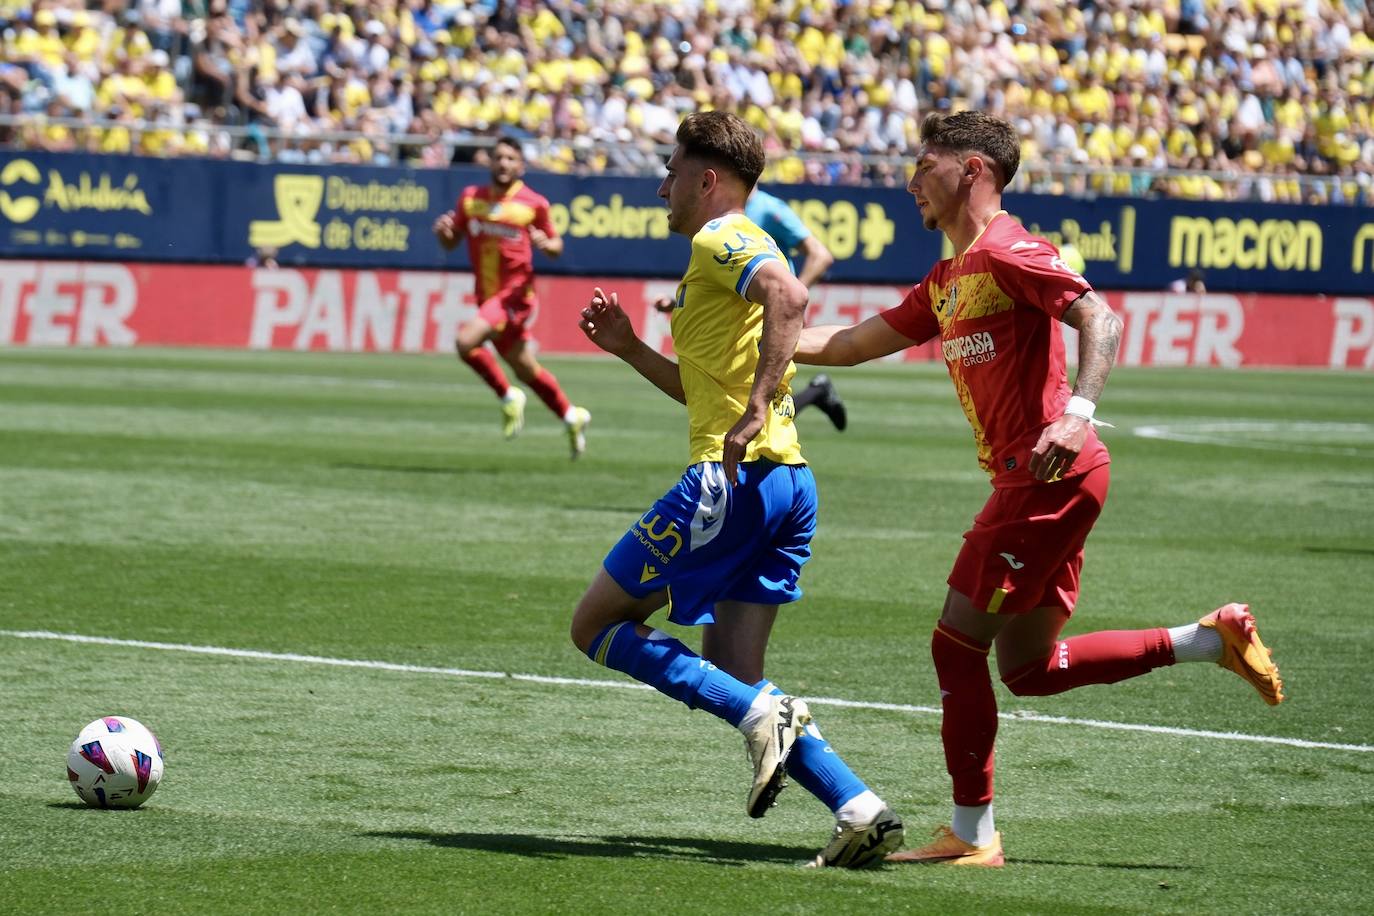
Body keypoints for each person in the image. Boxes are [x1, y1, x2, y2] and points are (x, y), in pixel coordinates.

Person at [794, 110, 1284, 867]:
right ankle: (1208, 639)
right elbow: (852, 344)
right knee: (1028, 669)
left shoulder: (1010, 251)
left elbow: (1100, 317)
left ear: (973, 170)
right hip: (1045, 481)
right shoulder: (949, 277)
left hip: (1046, 475)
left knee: (955, 647)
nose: (910, 180)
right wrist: (754, 342)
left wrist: (1078, 413)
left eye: (925, 164)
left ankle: (972, 835)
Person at [572, 111, 904, 869]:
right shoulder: (715, 258)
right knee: (737, 672)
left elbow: (791, 298)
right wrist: (630, 349)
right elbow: (701, 392)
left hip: (734, 480)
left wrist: (755, 406)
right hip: (786, 483)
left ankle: (764, 716)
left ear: (707, 179)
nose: (662, 187)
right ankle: (859, 807)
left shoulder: (721, 235)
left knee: (594, 625)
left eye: (671, 171)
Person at [433, 135, 592, 459]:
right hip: (487, 296)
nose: (504, 163)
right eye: (499, 157)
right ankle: (570, 415)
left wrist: (546, 244)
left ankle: (507, 397)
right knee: (525, 368)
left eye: (510, 158)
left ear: (521, 166)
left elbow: (556, 245)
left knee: (466, 343)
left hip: (514, 296)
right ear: (490, 162)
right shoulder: (470, 198)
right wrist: (444, 233)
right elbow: (452, 242)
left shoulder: (534, 203)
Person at [745, 188, 848, 432]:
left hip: (768, 315)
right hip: (743, 315)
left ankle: (817, 392)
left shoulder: (769, 208)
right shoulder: (730, 210)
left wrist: (790, 300)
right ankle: (817, 392)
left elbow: (820, 255)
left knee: (757, 406)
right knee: (756, 405)